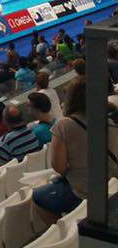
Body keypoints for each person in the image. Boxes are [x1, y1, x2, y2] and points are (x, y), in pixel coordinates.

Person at [33, 77, 118, 222]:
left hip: (84, 191)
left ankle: (64, 230)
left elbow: (59, 167)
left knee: (38, 197)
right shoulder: (109, 118)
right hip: (111, 182)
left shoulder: (63, 126)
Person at [0, 105, 41, 170]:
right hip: (36, 169)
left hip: (19, 173)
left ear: (5, 121)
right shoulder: (31, 130)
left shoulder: (7, 140)